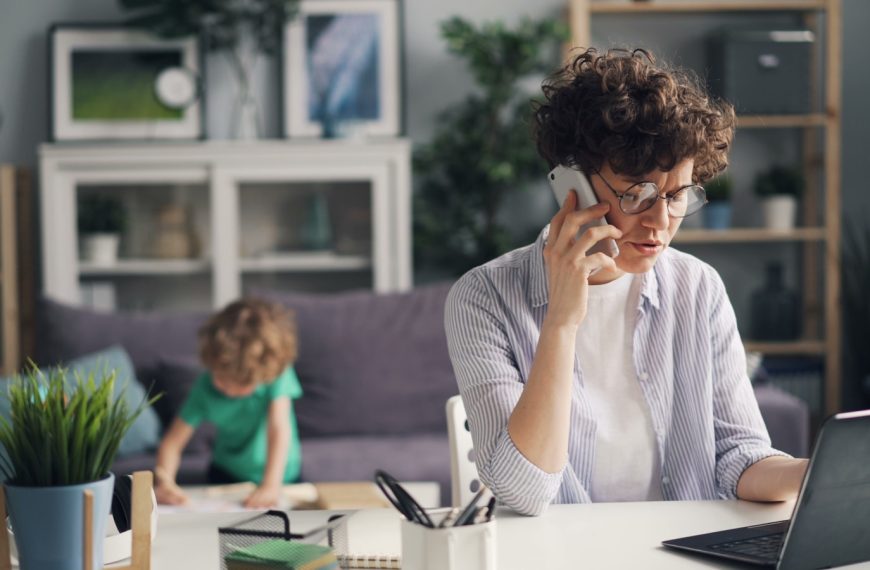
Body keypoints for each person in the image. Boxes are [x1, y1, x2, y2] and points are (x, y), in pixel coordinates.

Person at [444, 48, 809, 516]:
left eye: (678, 195)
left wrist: (814, 473)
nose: (661, 221)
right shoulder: (485, 298)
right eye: (638, 193)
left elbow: (739, 455)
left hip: (682, 551)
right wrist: (560, 322)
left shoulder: (698, 288)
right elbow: (524, 491)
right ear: (570, 184)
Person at [154, 298, 303, 508]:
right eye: (221, 378)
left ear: (264, 375)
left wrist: (271, 485)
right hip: (227, 475)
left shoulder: (276, 374)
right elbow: (172, 444)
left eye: (241, 383)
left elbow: (278, 428)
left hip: (282, 476)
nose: (228, 389)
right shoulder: (205, 387)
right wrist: (165, 482)